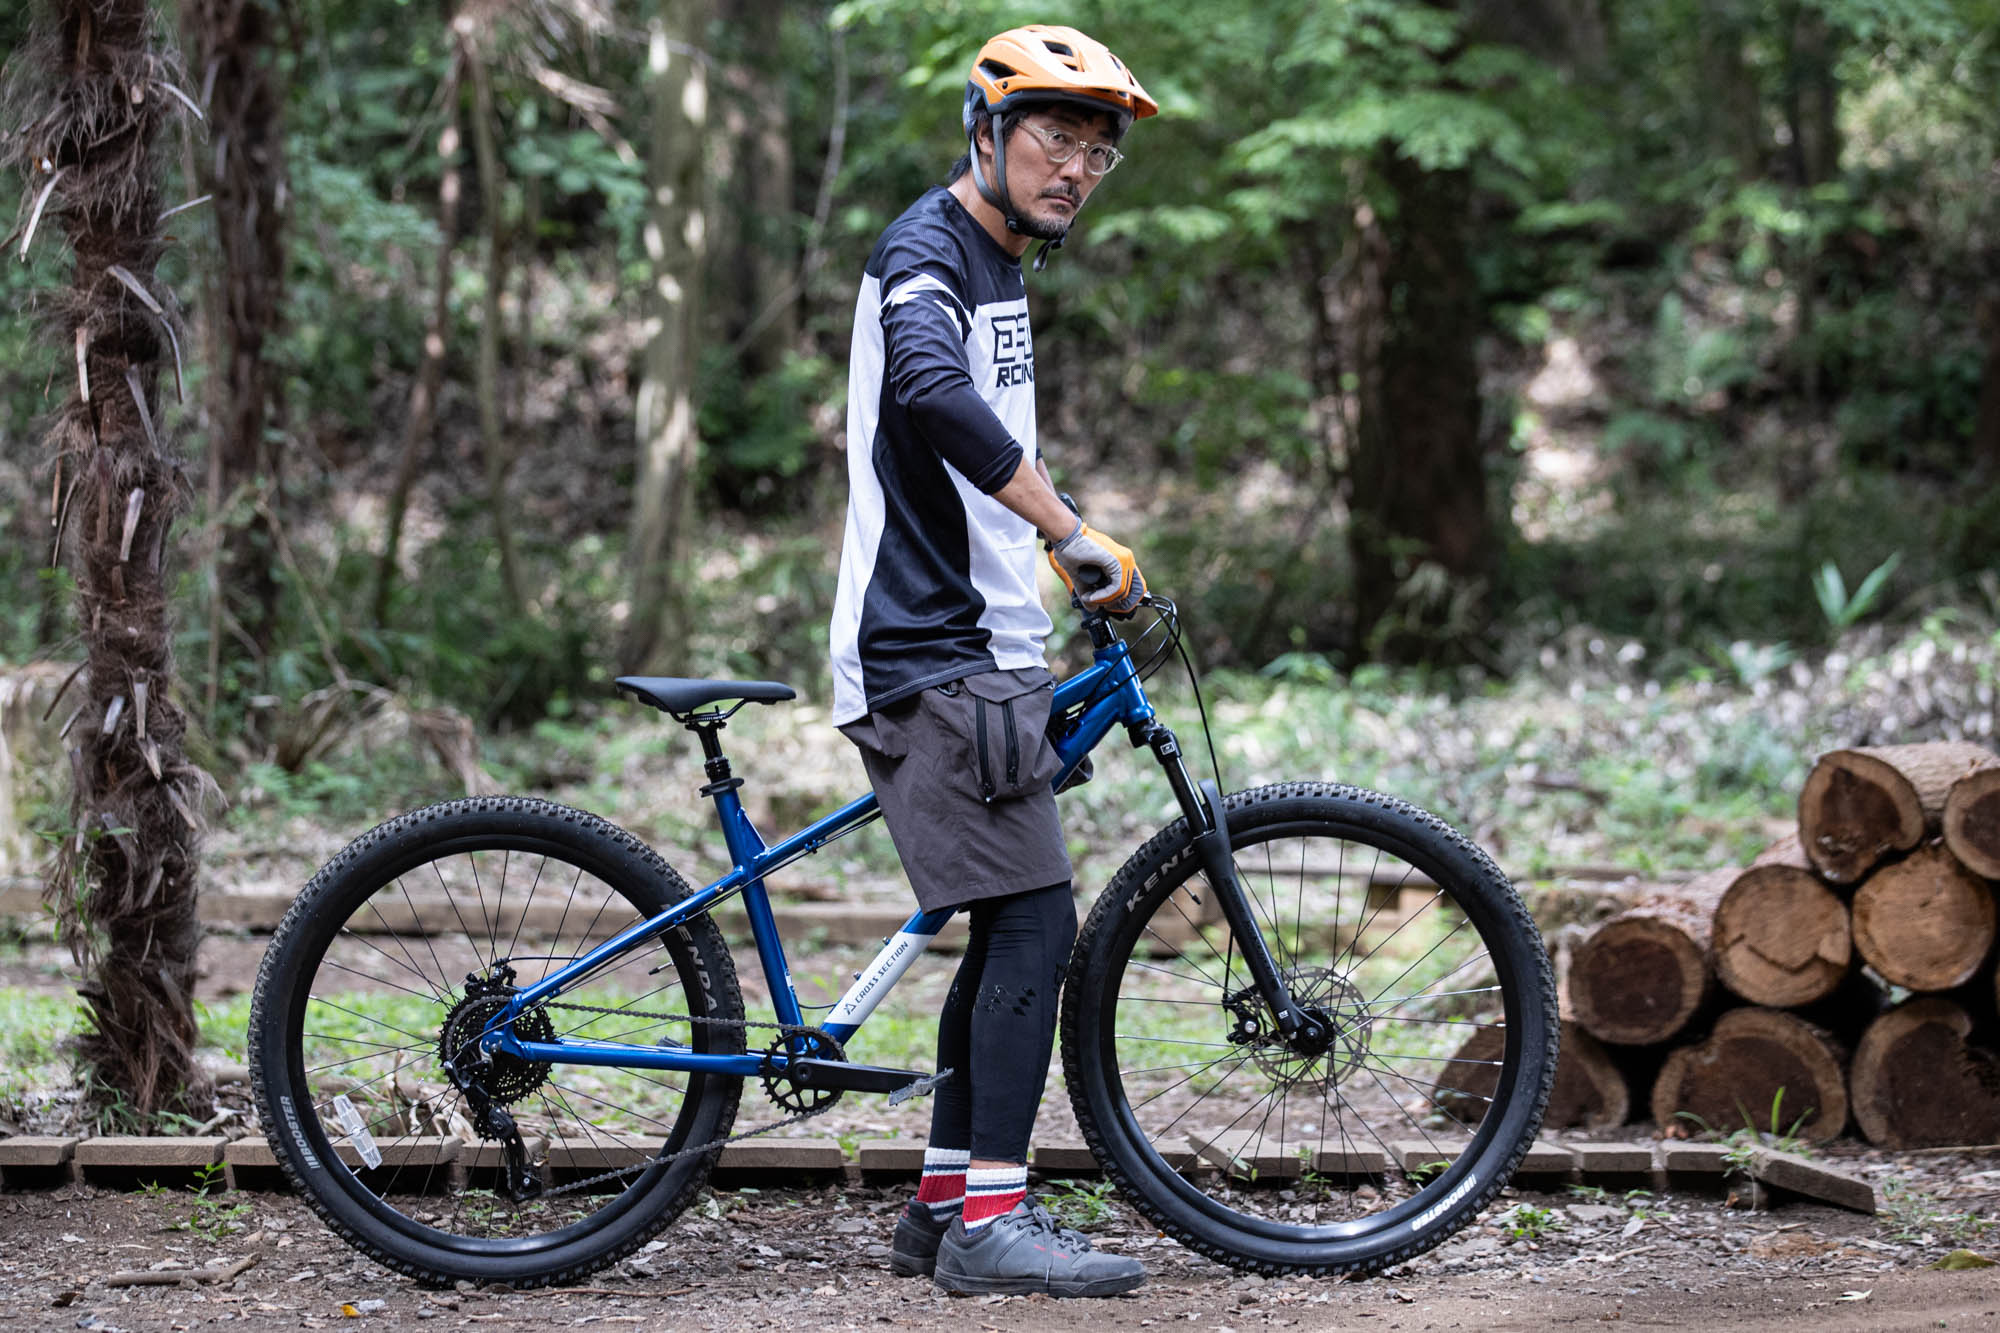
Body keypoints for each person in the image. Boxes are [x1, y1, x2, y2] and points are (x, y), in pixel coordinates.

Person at [826, 23, 1157, 1300]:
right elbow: (927, 386)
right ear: (985, 131)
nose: (1074, 167)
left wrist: (1058, 556)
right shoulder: (929, 254)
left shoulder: (1000, 264)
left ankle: (941, 1207)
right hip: (924, 649)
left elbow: (986, 440)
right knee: (1033, 920)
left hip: (978, 647)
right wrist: (1066, 527)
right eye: (1052, 137)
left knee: (1006, 921)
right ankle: (989, 1224)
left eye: (1095, 152)